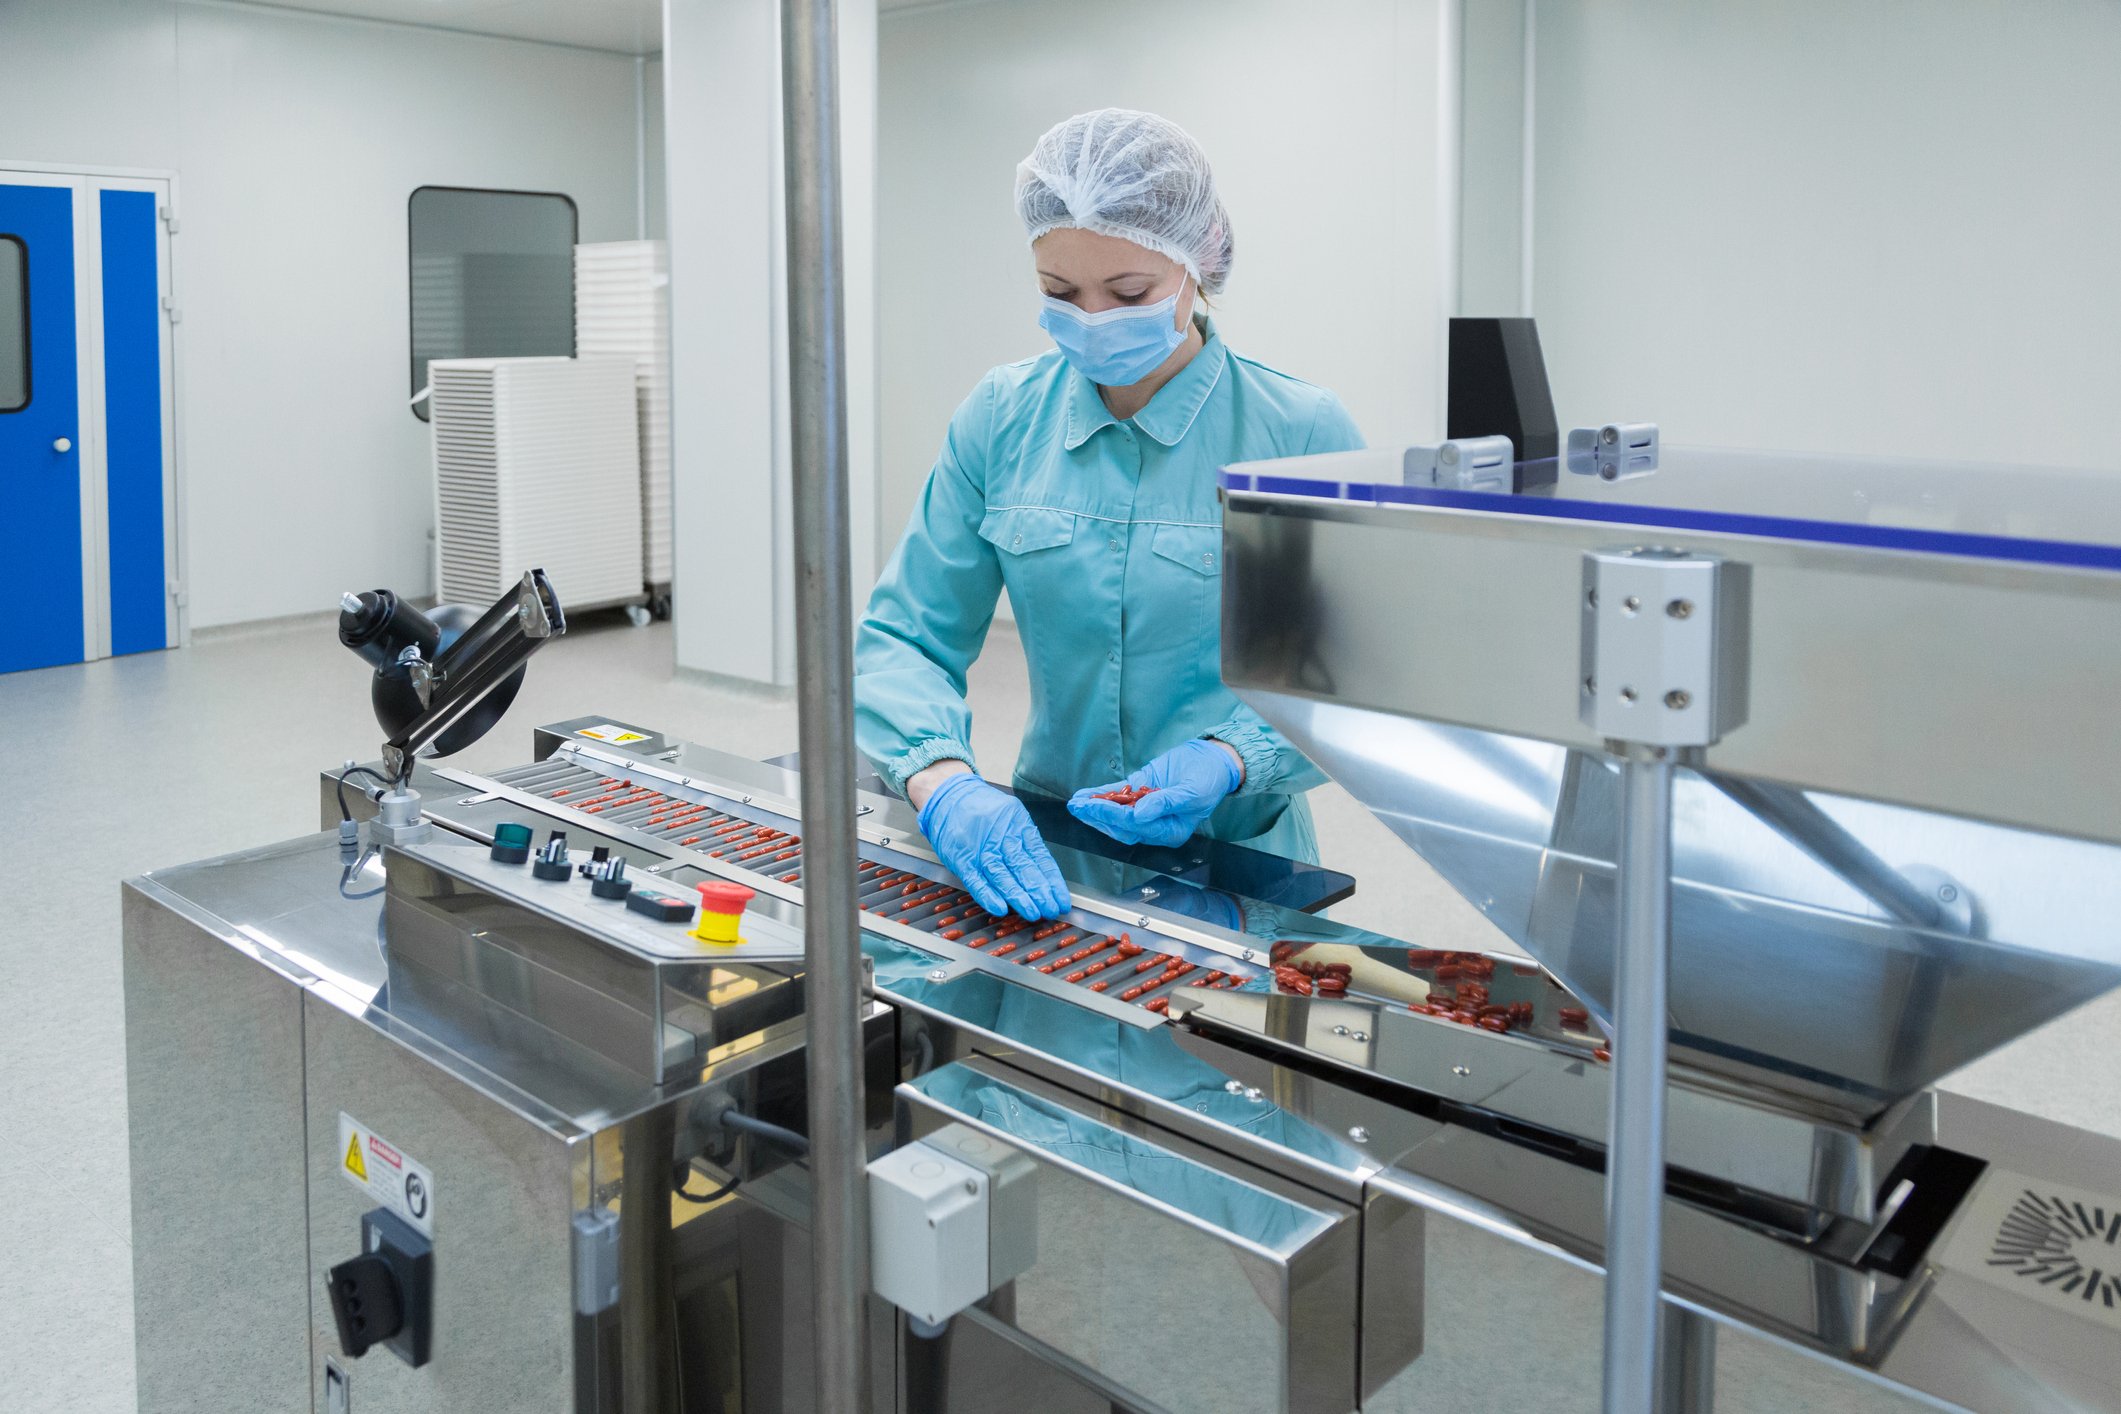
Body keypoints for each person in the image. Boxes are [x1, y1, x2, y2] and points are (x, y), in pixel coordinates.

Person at [854, 108, 1365, 922]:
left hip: (1242, 855)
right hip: (1050, 842)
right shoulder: (1000, 417)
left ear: (1198, 266)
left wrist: (1231, 757)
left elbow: (1347, 667)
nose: (1092, 320)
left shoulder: (1298, 434)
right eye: (1060, 293)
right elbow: (905, 638)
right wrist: (940, 780)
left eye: (1128, 292)